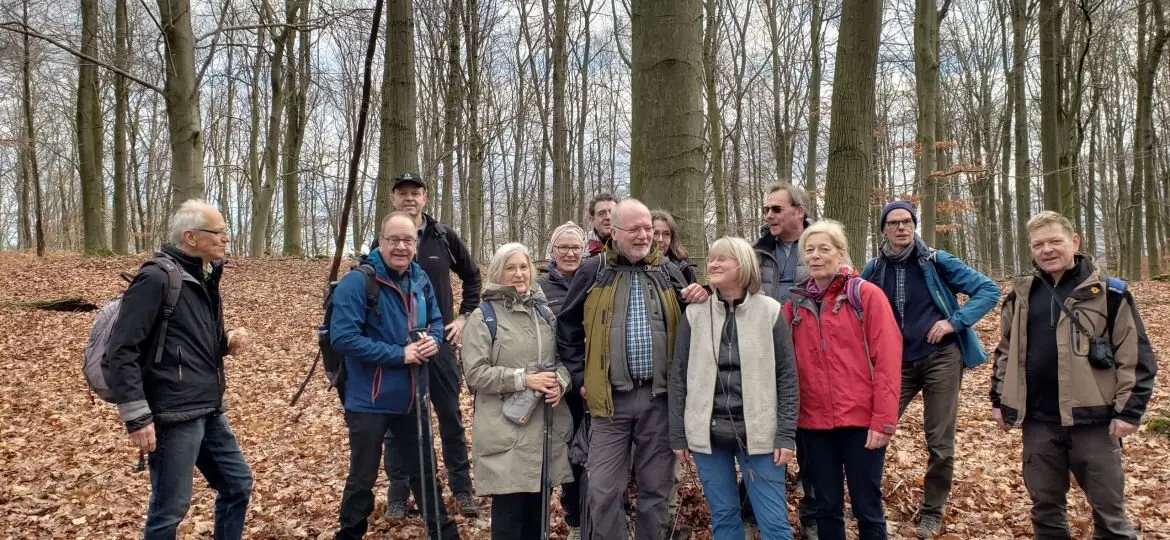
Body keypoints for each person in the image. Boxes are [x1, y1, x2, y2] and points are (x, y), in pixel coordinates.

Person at [991, 211, 1156, 540]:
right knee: (1046, 509)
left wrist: (1130, 410)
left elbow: (1135, 356)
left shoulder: (1110, 294)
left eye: (1055, 241)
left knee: (1109, 511)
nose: (1047, 250)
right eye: (1038, 244)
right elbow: (1005, 352)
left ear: (1075, 242)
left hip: (1095, 421)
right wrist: (999, 399)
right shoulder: (1020, 297)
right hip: (1039, 421)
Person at [557, 199, 709, 540]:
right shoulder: (593, 271)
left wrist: (702, 294)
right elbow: (566, 329)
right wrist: (580, 378)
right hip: (609, 404)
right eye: (635, 229)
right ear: (614, 231)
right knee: (603, 491)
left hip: (659, 401)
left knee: (656, 492)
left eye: (648, 229)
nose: (644, 236)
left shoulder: (670, 271)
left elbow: (698, 326)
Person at [103, 200, 254, 540]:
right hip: (173, 415)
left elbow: (193, 341)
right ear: (190, 237)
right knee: (169, 510)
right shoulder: (156, 278)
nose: (225, 239)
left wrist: (226, 340)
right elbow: (122, 350)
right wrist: (137, 417)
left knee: (237, 486)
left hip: (209, 408)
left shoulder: (204, 276)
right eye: (219, 232)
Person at [860, 200, 1000, 538]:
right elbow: (855, 306)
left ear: (914, 225)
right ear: (883, 230)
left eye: (907, 221)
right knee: (874, 431)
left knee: (939, 442)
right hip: (896, 364)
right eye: (893, 223)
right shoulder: (874, 269)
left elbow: (988, 290)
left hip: (941, 359)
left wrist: (955, 322)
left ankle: (932, 512)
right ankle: (866, 501)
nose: (901, 228)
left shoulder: (937, 261)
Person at [333, 212, 459, 540]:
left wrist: (434, 338)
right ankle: (349, 533)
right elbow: (343, 338)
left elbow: (435, 317)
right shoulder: (357, 282)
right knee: (362, 477)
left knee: (425, 473)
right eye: (394, 240)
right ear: (381, 242)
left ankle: (444, 534)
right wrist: (399, 354)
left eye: (408, 240)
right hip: (368, 399)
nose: (401, 247)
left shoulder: (419, 278)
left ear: (416, 244)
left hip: (412, 396)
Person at [669, 236, 799, 540]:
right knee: (725, 517)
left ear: (742, 266)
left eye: (721, 259)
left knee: (774, 522)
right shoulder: (694, 314)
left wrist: (786, 434)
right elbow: (679, 376)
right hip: (707, 434)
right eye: (711, 258)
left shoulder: (770, 311)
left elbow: (787, 377)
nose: (712, 264)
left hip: (761, 434)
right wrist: (678, 433)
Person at [373, 172, 482, 519]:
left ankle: (462, 491)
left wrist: (464, 317)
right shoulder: (384, 240)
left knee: (449, 416)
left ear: (425, 197)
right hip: (397, 348)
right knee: (398, 421)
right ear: (393, 198)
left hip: (440, 343)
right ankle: (398, 494)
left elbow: (473, 276)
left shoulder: (443, 236)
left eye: (415, 192)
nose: (409, 198)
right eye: (402, 192)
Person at [784, 219, 901, 540]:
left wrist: (883, 421)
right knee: (825, 507)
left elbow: (889, 363)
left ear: (840, 253)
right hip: (813, 425)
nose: (816, 256)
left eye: (824, 249)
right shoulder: (793, 307)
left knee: (867, 508)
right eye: (809, 250)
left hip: (862, 423)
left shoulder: (866, 296)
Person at [462, 242, 574, 539]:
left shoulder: (544, 314)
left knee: (538, 521)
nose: (518, 274)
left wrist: (560, 383)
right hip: (506, 432)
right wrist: (523, 379)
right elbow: (475, 374)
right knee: (510, 519)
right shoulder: (483, 317)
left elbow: (562, 361)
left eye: (523, 267)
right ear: (498, 272)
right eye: (510, 267)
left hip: (544, 431)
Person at [753, 182, 815, 538]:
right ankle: (753, 505)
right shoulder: (758, 251)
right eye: (766, 210)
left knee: (810, 434)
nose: (769, 216)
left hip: (810, 354)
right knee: (761, 426)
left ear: (799, 211)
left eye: (776, 209)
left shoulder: (821, 244)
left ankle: (813, 513)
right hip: (765, 354)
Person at [537, 221, 588, 540]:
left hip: (594, 380)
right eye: (563, 248)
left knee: (600, 454)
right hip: (559, 382)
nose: (569, 253)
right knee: (569, 453)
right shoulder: (539, 287)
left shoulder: (595, 279)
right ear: (552, 251)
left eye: (575, 248)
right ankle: (574, 519)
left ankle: (604, 513)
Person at [652, 210, 698, 285]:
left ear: (672, 238)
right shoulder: (634, 265)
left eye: (666, 234)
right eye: (655, 233)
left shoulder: (684, 267)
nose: (660, 239)